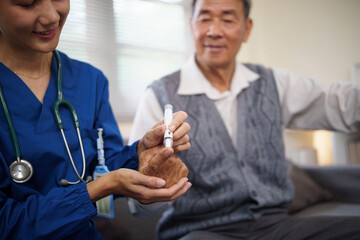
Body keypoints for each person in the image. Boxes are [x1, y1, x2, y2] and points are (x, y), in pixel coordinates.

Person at [128, 0, 360, 239]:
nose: (214, 31)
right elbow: (137, 205)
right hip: (201, 231)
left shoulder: (273, 83)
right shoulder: (158, 96)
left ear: (247, 29)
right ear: (191, 25)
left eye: (227, 20)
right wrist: (153, 187)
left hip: (277, 226)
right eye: (205, 18)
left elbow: (341, 103)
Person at [0, 0, 192, 239]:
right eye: (27, 3)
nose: (51, 16)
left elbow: (104, 166)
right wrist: (98, 189)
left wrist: (141, 151)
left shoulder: (89, 80)